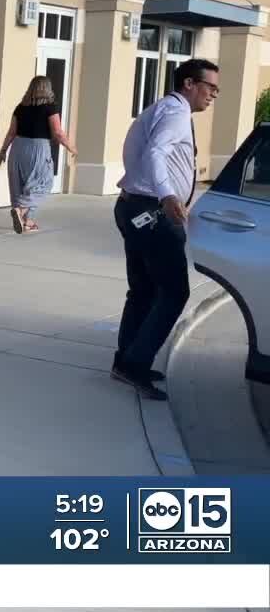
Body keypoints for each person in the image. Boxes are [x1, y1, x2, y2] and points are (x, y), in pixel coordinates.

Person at [111, 58, 219, 401]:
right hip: (153, 212)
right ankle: (135, 364)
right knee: (174, 293)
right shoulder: (175, 113)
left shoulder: (162, 109)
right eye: (209, 87)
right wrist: (168, 194)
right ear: (189, 83)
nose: (213, 94)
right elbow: (156, 154)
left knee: (142, 290)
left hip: (133, 206)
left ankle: (126, 360)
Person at [0, 76, 76, 233]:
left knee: (18, 185)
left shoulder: (20, 107)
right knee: (44, 183)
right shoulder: (50, 107)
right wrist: (71, 147)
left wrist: (3, 150)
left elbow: (12, 132)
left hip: (18, 147)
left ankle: (27, 222)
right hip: (38, 148)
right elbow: (58, 133)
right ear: (47, 89)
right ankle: (21, 209)